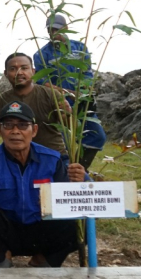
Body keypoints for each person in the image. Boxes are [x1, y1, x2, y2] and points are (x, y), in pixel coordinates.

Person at [0, 101, 86, 268]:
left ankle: (43, 260)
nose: (16, 131)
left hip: (42, 230)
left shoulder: (52, 160)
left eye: (23, 125)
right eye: (8, 125)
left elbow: (69, 201)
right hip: (6, 232)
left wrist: (78, 182)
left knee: (82, 224)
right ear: (0, 130)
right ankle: (2, 258)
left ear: (34, 130)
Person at [0, 52, 70, 158]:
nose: (19, 72)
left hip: (54, 157)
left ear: (33, 71)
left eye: (24, 68)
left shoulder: (51, 94)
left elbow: (68, 125)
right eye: (13, 69)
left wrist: (67, 113)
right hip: (16, 159)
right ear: (6, 73)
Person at [33, 13, 106, 168]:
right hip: (59, 105)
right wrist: (66, 93)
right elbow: (43, 83)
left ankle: (81, 170)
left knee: (97, 136)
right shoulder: (41, 54)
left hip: (82, 103)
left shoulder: (80, 48)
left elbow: (87, 74)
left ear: (66, 28)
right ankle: (66, 175)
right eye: (51, 30)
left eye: (57, 29)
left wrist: (85, 89)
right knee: (64, 142)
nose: (54, 33)